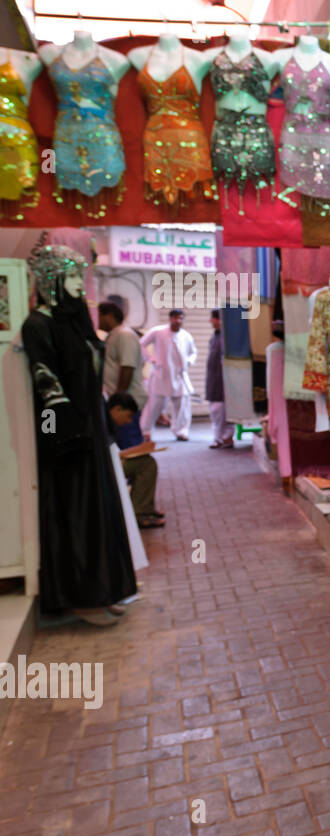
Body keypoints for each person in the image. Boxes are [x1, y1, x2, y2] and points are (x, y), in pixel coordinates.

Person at [21, 242, 136, 626]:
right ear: (49, 279)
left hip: (91, 432)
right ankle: (80, 597)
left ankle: (105, 589)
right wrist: (57, 440)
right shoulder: (38, 325)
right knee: (74, 513)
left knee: (98, 512)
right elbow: (47, 386)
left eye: (78, 276)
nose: (76, 284)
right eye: (69, 276)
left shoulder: (73, 321)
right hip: (67, 440)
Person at [106, 393, 164, 529]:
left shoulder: (108, 421)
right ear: (117, 409)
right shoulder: (102, 422)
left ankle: (143, 508)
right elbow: (108, 454)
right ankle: (140, 512)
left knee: (145, 461)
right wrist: (130, 453)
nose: (128, 421)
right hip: (107, 465)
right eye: (128, 416)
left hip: (111, 461)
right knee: (147, 465)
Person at [140, 308, 196, 441]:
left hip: (180, 376)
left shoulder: (186, 336)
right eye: (175, 318)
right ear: (170, 318)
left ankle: (181, 431)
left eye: (180, 318)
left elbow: (193, 352)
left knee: (182, 405)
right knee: (154, 405)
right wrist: (151, 359)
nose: (178, 321)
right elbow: (141, 344)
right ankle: (145, 431)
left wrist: (189, 361)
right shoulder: (158, 331)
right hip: (161, 375)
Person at [97, 300, 147, 409]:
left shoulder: (124, 334)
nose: (96, 320)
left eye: (99, 315)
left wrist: (119, 400)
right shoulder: (112, 336)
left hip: (127, 404)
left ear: (109, 315)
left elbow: (127, 367)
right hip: (119, 402)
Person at [206, 309, 234, 448]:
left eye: (213, 318)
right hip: (214, 380)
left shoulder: (227, 336)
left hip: (224, 380)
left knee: (224, 411)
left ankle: (224, 438)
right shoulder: (215, 336)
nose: (211, 321)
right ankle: (220, 437)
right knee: (217, 411)